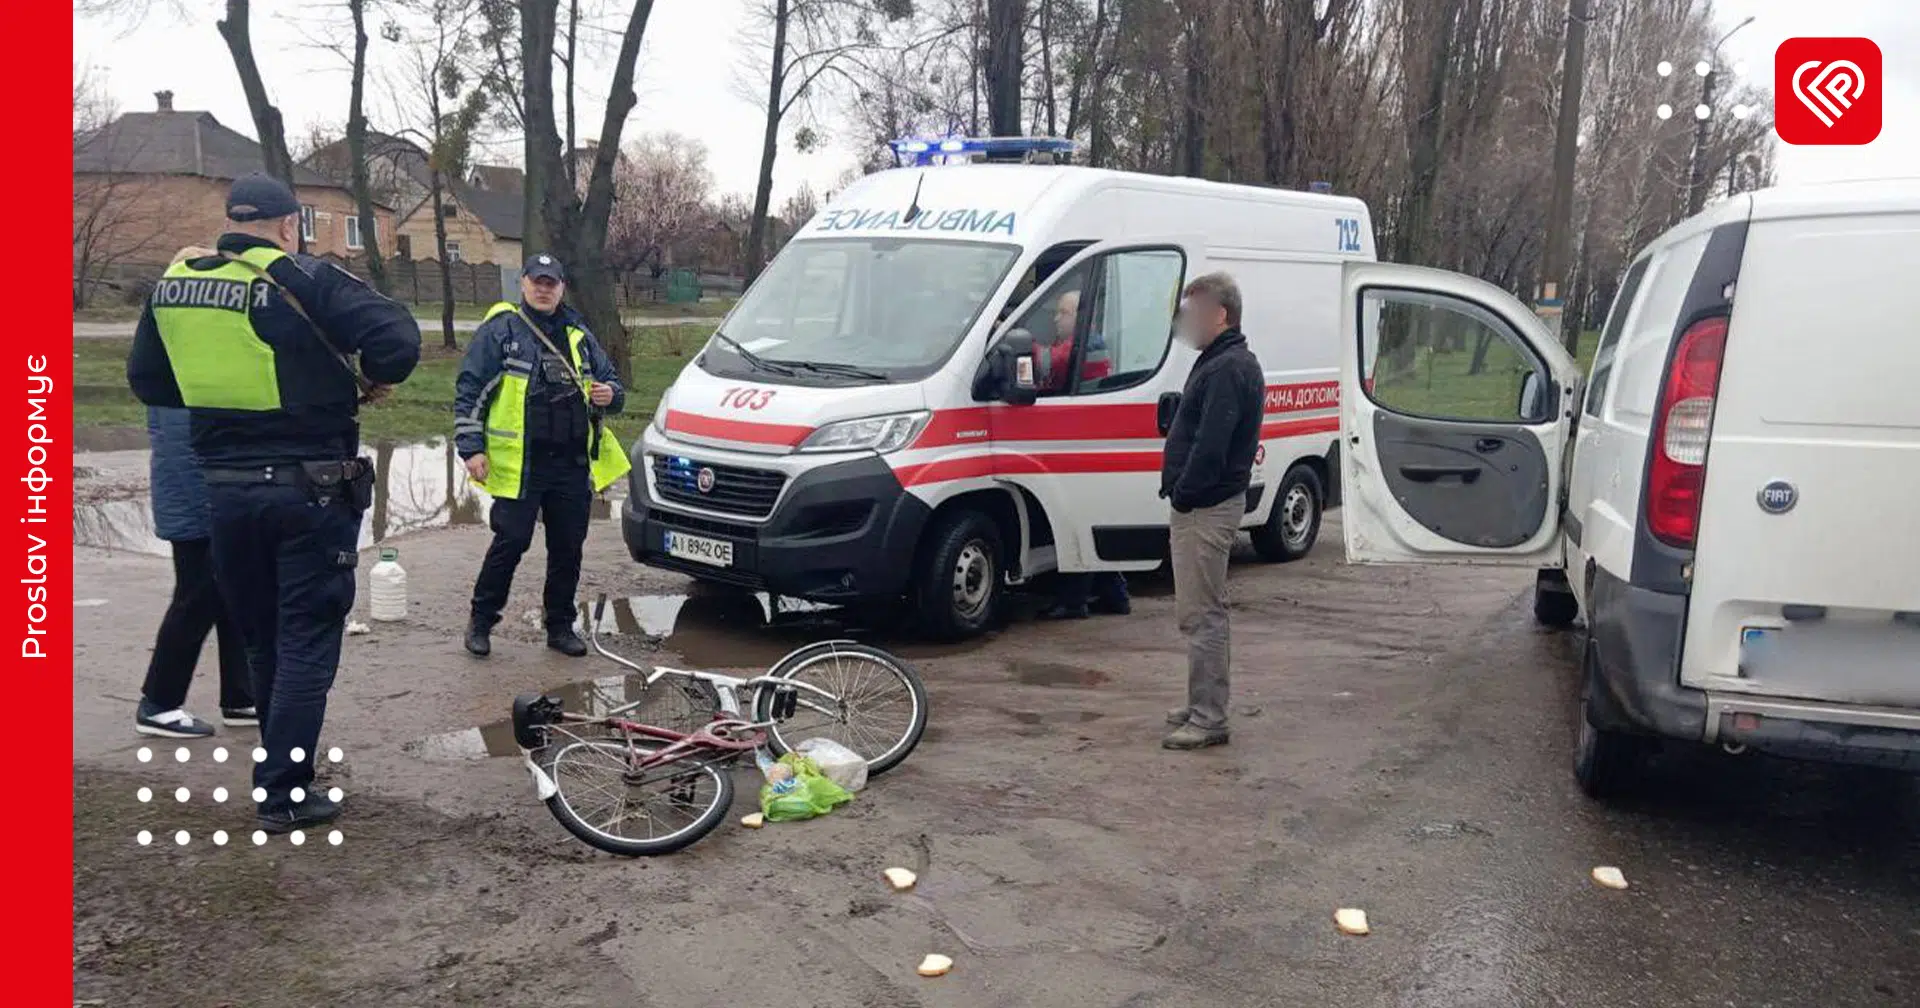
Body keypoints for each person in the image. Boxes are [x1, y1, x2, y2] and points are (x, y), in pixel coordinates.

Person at [127, 173, 422, 832]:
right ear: (291, 226)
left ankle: (279, 770)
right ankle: (284, 790)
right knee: (307, 638)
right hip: (309, 488)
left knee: (263, 639)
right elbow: (400, 344)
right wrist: (359, 379)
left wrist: (227, 399)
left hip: (225, 492)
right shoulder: (306, 279)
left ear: (229, 220)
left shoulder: (174, 286)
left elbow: (148, 380)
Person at [455, 254, 630, 659]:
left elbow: (612, 386)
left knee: (568, 547)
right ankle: (481, 620)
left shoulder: (578, 334)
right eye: (537, 280)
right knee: (511, 542)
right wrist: (472, 448)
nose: (543, 288)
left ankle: (560, 626)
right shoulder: (502, 330)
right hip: (523, 464)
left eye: (551, 282)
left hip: (571, 465)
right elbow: (470, 390)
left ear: (561, 287)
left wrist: (610, 394)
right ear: (524, 283)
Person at [1158, 272, 1264, 751]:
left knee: (1203, 614)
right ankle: (1200, 702)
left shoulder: (1228, 368)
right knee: (1197, 611)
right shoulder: (1219, 362)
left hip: (1207, 506)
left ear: (1220, 315)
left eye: (1193, 313)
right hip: (1204, 503)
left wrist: (1184, 493)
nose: (1187, 323)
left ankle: (1208, 717)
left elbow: (1211, 446)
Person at [134, 400, 256, 738]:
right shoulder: (176, 378)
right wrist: (213, 508)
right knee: (197, 598)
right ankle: (158, 702)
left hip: (212, 499)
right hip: (198, 506)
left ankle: (241, 696)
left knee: (234, 594)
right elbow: (181, 449)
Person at [1035, 288, 1131, 620]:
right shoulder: (1092, 340)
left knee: (1077, 523)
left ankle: (1074, 601)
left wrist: (1010, 341)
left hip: (1084, 440)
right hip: (1090, 437)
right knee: (1089, 521)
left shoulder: (1084, 344)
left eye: (1061, 312)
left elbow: (1051, 366)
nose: (1056, 318)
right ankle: (1115, 595)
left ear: (1078, 316)